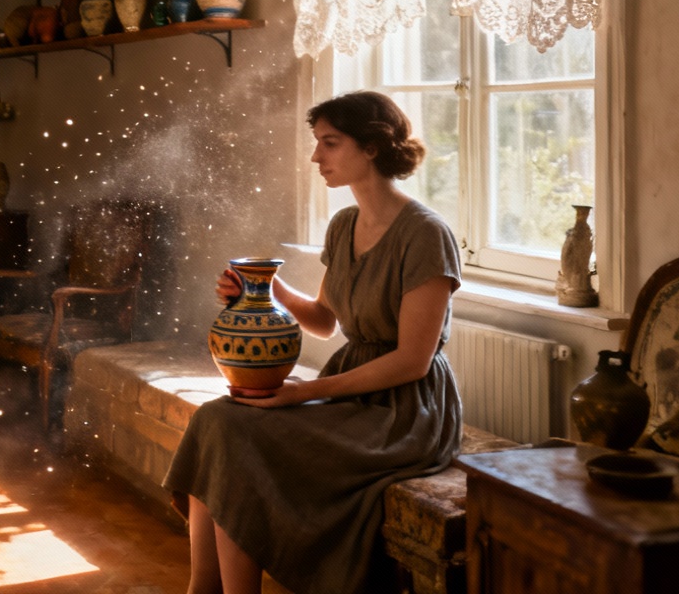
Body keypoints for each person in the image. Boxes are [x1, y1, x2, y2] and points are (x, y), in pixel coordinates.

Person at [164, 91, 462, 594]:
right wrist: (262, 286)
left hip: (404, 411)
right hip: (347, 391)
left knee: (238, 435)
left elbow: (412, 361)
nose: (315, 157)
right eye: (317, 143)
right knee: (216, 420)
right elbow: (325, 320)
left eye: (329, 143)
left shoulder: (426, 234)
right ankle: (203, 587)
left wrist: (305, 392)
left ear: (371, 147)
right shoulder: (344, 224)